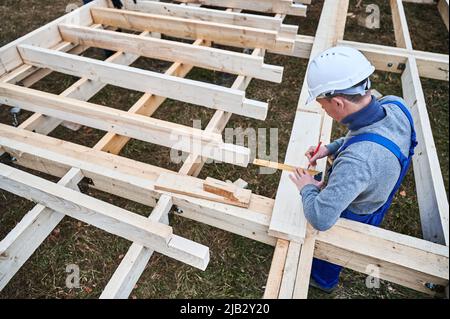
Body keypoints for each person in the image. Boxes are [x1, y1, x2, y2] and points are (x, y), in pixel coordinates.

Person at [289, 46, 418, 293]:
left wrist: (307, 188)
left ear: (337, 102)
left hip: (358, 209)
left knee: (333, 247)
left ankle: (322, 280)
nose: (323, 110)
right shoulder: (394, 104)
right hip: (378, 188)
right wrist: (331, 147)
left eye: (322, 104)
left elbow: (320, 217)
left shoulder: (357, 163)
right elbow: (369, 135)